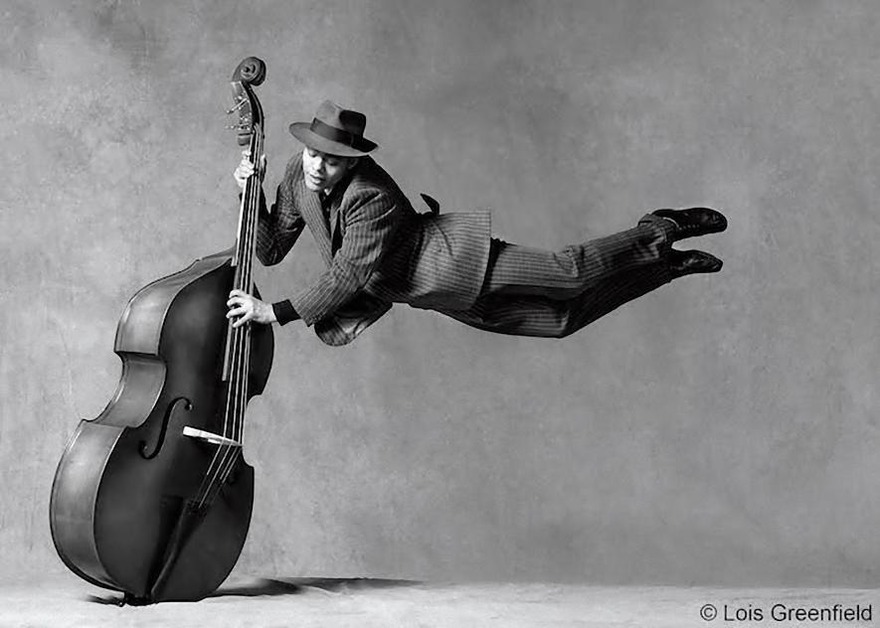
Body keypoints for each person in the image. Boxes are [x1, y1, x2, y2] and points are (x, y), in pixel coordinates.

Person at [227, 100, 726, 345]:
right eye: (313, 153)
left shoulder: (370, 195)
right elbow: (270, 250)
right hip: (436, 294)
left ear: (353, 161)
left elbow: (350, 275)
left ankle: (660, 229)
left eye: (331, 160)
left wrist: (275, 312)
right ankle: (664, 269)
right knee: (562, 322)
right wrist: (250, 194)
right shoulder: (297, 174)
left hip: (460, 260)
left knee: (570, 273)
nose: (317, 166)